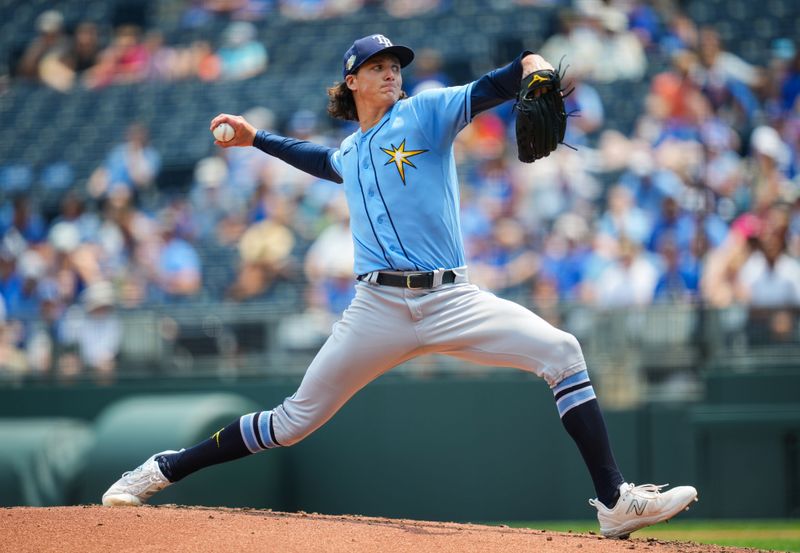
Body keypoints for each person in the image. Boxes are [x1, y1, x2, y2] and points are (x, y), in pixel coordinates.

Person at [101, 34, 697, 539]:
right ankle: (164, 468)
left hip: (451, 299)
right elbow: (319, 159)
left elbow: (493, 85)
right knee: (291, 423)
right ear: (352, 81)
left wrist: (530, 65)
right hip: (377, 309)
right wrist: (256, 138)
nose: (392, 74)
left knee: (563, 351)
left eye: (396, 67)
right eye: (379, 68)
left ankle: (614, 502)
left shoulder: (427, 112)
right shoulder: (353, 151)